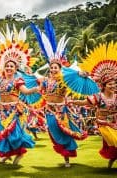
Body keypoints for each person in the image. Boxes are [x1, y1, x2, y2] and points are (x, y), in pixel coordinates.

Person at [30, 19, 97, 167]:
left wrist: (83, 74)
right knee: (54, 132)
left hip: (61, 110)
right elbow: (34, 76)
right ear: (49, 68)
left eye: (56, 67)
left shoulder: (65, 81)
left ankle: (67, 158)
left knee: (65, 131)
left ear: (60, 69)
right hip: (49, 110)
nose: (53, 69)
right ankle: (64, 154)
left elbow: (77, 76)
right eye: (52, 67)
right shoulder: (45, 80)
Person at [0, 25, 40, 165]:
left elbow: (25, 92)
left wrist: (35, 89)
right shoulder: (0, 79)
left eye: (12, 66)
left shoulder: (18, 80)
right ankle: (6, 155)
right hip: (1, 110)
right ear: (4, 68)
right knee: (1, 135)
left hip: (14, 111)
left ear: (16, 68)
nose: (9, 68)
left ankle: (19, 154)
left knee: (14, 135)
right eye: (7, 66)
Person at [70, 42, 117, 168]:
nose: (112, 86)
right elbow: (85, 102)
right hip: (103, 124)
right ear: (104, 85)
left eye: (114, 84)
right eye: (110, 84)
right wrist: (72, 101)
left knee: (114, 148)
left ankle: (111, 163)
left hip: (115, 123)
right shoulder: (98, 96)